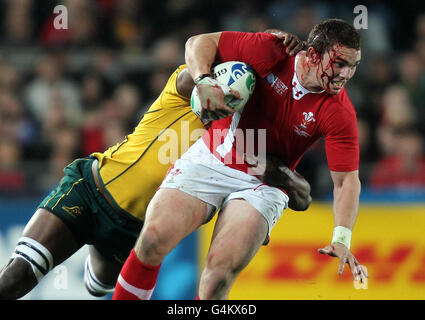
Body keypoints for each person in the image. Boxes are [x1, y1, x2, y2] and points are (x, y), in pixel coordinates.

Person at [0, 31, 307, 300]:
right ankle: (85, 237)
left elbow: (257, 186)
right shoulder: (185, 89)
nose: (225, 97)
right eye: (222, 85)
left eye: (237, 95)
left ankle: (97, 250)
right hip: (92, 189)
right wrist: (225, 66)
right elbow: (200, 51)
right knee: (19, 276)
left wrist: (275, 198)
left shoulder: (242, 139)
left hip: (134, 230)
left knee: (97, 287)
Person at [112, 18, 368, 301]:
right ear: (312, 55)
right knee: (152, 239)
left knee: (217, 279)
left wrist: (342, 239)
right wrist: (204, 80)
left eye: (354, 65)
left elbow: (346, 182)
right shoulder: (271, 51)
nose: (346, 74)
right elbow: (198, 43)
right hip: (213, 156)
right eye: (340, 63)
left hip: (264, 185)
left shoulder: (340, 112)